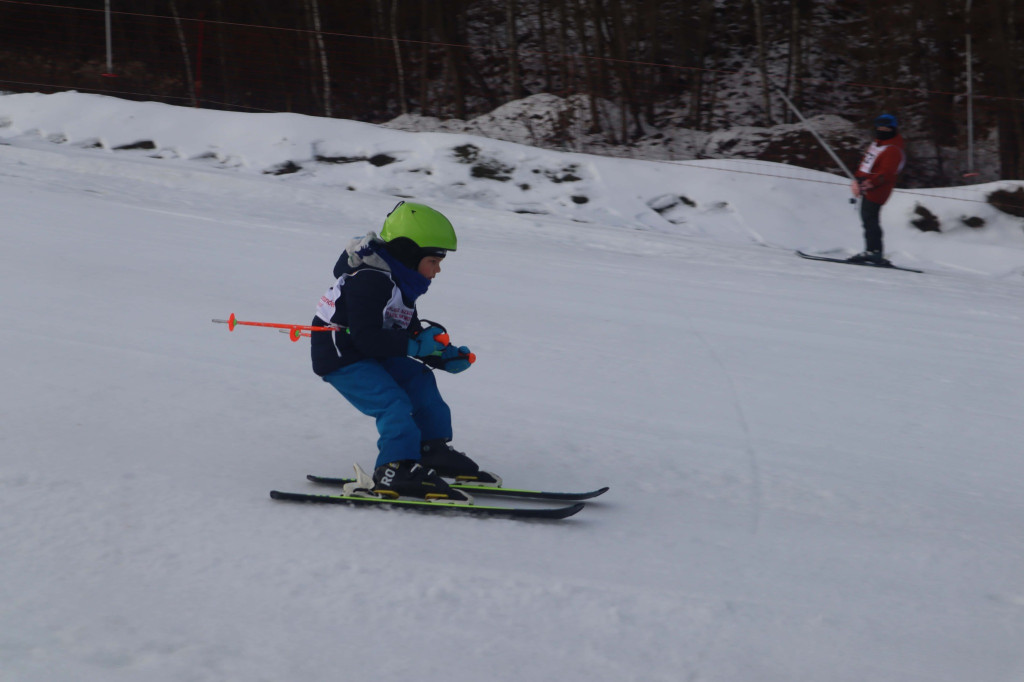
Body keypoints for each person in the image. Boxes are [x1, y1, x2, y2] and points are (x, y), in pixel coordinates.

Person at [310, 201, 490, 502]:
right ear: (410, 254)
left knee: (419, 378)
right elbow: (366, 336)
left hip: (373, 352)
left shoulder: (402, 282)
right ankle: (395, 468)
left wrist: (439, 355)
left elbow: (405, 328)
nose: (438, 269)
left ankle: (429, 450)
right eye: (433, 260)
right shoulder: (371, 280)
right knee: (393, 402)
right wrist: (411, 345)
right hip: (343, 357)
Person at [849, 113, 906, 264]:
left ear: (892, 129)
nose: (882, 130)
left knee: (870, 218)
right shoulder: (877, 144)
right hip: (867, 185)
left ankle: (874, 251)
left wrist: (871, 183)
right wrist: (857, 179)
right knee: (867, 218)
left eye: (886, 128)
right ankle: (871, 250)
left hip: (878, 189)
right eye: (879, 127)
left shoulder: (893, 149)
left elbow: (887, 173)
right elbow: (865, 163)